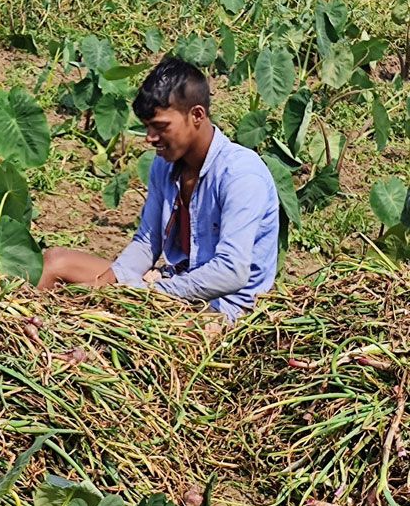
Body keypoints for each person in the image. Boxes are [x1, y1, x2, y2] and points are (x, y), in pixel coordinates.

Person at [38, 56, 280, 321]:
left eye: (161, 127)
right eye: (147, 127)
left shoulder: (241, 175)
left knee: (114, 329)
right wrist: (106, 285)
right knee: (55, 261)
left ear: (197, 115)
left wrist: (151, 293)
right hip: (172, 286)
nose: (151, 138)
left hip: (222, 309)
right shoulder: (164, 165)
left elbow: (231, 271)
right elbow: (147, 242)